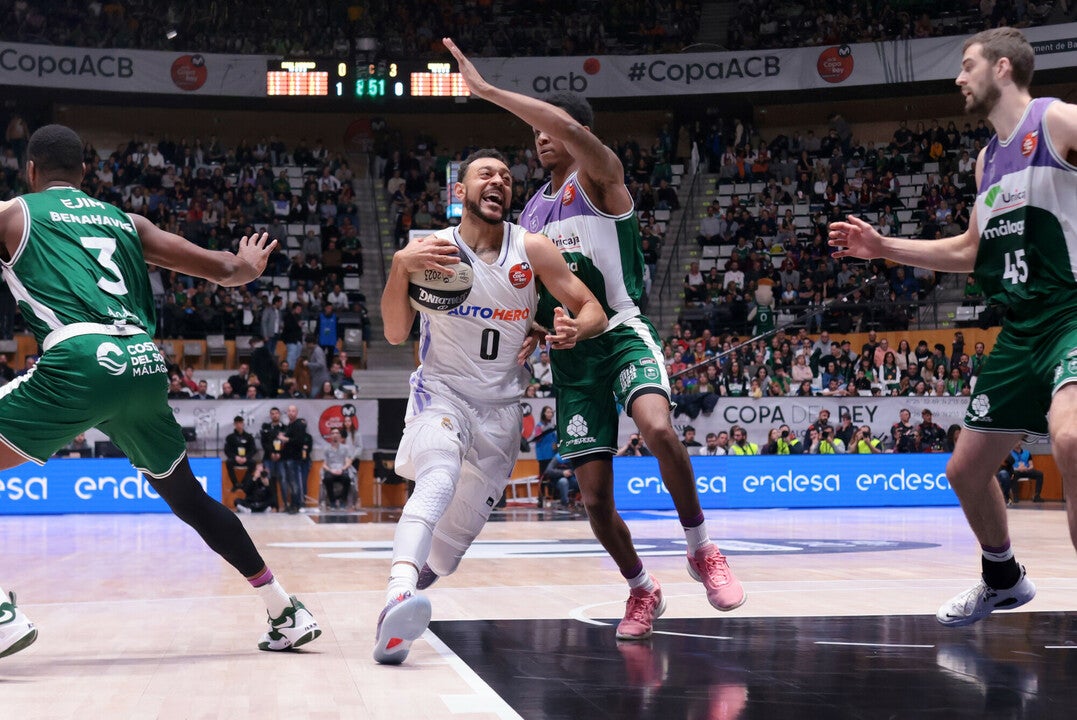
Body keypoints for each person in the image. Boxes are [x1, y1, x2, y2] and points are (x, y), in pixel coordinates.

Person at [445, 39, 747, 642]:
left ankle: (702, 549)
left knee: (659, 428)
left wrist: (488, 92)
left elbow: (564, 129)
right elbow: (528, 293)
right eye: (537, 131)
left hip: (622, 330)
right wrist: (532, 327)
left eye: (554, 127)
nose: (541, 137)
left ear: (579, 133)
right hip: (574, 356)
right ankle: (641, 589)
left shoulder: (602, 180)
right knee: (593, 502)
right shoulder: (528, 216)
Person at [0, 124, 318, 659]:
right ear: (86, 172)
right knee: (189, 499)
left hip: (80, 358)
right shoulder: (127, 220)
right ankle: (285, 610)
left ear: (30, 171)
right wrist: (247, 264)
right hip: (145, 365)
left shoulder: (14, 212)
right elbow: (226, 270)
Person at [830, 27, 1077, 626]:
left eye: (967, 66)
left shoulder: (1058, 122)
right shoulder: (986, 161)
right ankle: (1003, 577)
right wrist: (882, 246)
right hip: (1020, 330)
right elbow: (971, 250)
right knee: (964, 469)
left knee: (1070, 438)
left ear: (1002, 69)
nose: (957, 78)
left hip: (1071, 312)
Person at [372, 148, 605, 665]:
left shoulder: (533, 248)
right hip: (442, 392)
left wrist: (570, 327)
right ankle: (397, 595)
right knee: (437, 473)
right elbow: (393, 332)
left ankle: (398, 615)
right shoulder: (429, 251)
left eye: (505, 176)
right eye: (486, 174)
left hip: (501, 413)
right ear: (461, 192)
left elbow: (592, 309)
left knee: (448, 554)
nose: (498, 181)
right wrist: (397, 268)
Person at [279, 404, 309, 514]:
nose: (291, 413)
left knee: (295, 482)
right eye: (289, 411)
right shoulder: (289, 426)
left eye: (293, 411)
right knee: (289, 483)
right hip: (286, 458)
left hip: (294, 458)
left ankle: (297, 504)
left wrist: (285, 439)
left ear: (296, 413)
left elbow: (299, 441)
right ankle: (291, 504)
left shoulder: (299, 424)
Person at [258, 407, 286, 512]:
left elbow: (286, 444)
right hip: (268, 458)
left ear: (279, 415)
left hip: (281, 459)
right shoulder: (265, 427)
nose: (274, 415)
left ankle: (285, 504)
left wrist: (279, 453)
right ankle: (273, 505)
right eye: (272, 413)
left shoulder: (284, 427)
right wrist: (272, 453)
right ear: (270, 415)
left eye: (276, 413)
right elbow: (264, 442)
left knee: (283, 481)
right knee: (269, 482)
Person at [321, 427, 355, 509]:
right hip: (331, 470)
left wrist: (342, 469)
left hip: (342, 470)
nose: (335, 435)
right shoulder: (326, 449)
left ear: (340, 436)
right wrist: (330, 470)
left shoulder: (345, 448)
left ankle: (342, 501)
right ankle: (332, 501)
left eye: (337, 433)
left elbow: (348, 462)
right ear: (330, 436)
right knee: (327, 479)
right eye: (333, 433)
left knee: (347, 479)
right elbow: (324, 464)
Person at [223, 415, 257, 489]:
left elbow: (253, 449)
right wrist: (235, 457)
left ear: (243, 424)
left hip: (246, 458)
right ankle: (235, 484)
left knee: (253, 463)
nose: (239, 425)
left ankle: (244, 483)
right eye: (237, 423)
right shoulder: (230, 437)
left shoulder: (249, 437)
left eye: (240, 423)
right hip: (235, 458)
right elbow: (227, 450)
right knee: (228, 462)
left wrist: (246, 458)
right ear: (234, 424)